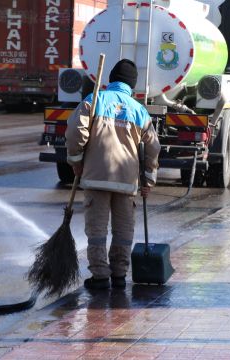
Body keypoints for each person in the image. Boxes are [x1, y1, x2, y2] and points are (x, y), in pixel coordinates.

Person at [66, 59, 161, 290]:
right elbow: (152, 148)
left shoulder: (94, 100)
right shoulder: (140, 110)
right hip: (126, 182)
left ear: (111, 79)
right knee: (123, 230)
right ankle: (119, 275)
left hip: (95, 178)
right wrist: (148, 180)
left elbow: (74, 133)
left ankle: (100, 276)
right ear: (132, 84)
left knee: (97, 231)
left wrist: (76, 161)